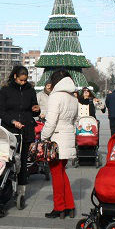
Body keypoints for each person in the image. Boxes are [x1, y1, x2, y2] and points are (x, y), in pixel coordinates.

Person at [0, 65, 40, 203]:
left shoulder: (30, 89)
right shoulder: (6, 90)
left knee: (22, 161)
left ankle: (21, 190)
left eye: (25, 80)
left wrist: (36, 110)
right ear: (15, 76)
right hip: (10, 129)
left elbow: (34, 109)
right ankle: (5, 187)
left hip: (26, 129)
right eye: (21, 80)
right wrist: (12, 121)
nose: (23, 82)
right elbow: (1, 111)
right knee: (8, 159)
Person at [41, 69, 78, 218]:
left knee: (56, 174)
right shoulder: (73, 98)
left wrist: (44, 137)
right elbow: (76, 120)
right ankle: (69, 206)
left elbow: (51, 122)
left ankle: (59, 207)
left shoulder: (55, 96)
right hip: (68, 137)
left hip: (56, 139)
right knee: (62, 173)